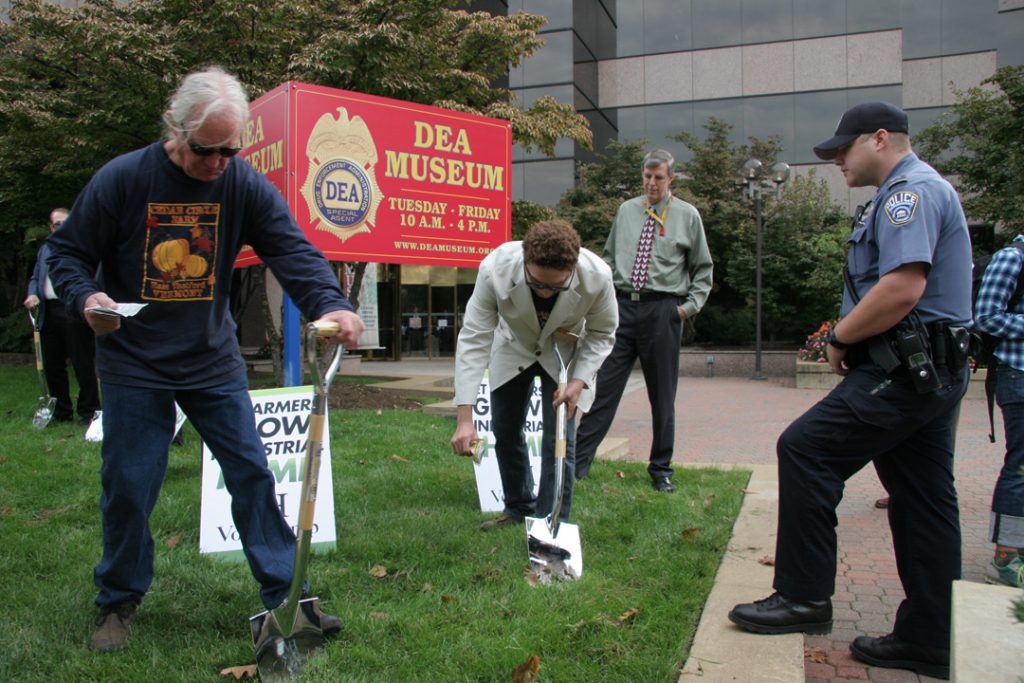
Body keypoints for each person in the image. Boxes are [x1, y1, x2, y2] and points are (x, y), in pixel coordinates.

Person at [46, 66, 365, 653]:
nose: (218, 162)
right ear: (175, 127)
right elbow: (65, 254)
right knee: (129, 484)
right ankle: (117, 600)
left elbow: (290, 248)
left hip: (210, 360)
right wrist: (85, 297)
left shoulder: (241, 183)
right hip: (133, 360)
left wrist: (330, 303)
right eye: (205, 150)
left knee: (250, 473)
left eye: (230, 150)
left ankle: (285, 597)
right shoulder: (123, 180)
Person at [728, 101, 972, 680]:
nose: (837, 158)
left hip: (904, 371)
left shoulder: (910, 194)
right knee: (923, 499)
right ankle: (930, 636)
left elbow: (902, 289)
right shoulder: (915, 191)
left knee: (807, 449)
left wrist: (837, 338)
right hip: (928, 370)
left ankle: (803, 596)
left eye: (844, 147)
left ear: (880, 138)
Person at [450, 219, 617, 530]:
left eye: (556, 287)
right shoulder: (494, 269)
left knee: (560, 439)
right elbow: (474, 338)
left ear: (574, 268)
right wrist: (464, 418)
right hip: (512, 345)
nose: (544, 293)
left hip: (564, 354)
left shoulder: (597, 277)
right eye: (537, 283)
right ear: (525, 260)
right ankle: (517, 508)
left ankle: (551, 520)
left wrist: (579, 381)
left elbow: (602, 333)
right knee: (505, 428)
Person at [573, 149, 712, 492]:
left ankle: (660, 469)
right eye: (647, 177)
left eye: (658, 177)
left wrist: (685, 309)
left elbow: (703, 269)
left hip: (662, 311)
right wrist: (602, 302)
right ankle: (576, 465)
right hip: (622, 310)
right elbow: (607, 259)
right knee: (603, 390)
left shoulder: (687, 216)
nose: (651, 183)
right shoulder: (626, 210)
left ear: (671, 179)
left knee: (662, 397)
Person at [974, 235, 1024, 588]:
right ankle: (1006, 557)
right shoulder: (1012, 258)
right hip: (1017, 373)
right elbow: (986, 317)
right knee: (1021, 465)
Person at [24, 207, 100, 425]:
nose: (60, 227)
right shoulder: (45, 249)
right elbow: (35, 277)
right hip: (47, 312)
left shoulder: (82, 247)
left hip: (72, 309)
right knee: (52, 365)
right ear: (51, 227)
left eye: (64, 223)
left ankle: (90, 412)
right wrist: (31, 294)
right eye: (56, 224)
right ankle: (61, 411)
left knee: (82, 363)